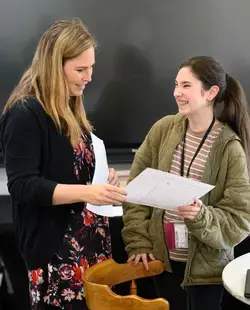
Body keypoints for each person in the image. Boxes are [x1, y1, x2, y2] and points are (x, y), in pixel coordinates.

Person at [0, 18, 127, 310]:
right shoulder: (24, 113)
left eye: (91, 67)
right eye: (80, 70)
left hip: (89, 244)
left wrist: (100, 175)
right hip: (56, 253)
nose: (89, 77)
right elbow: (22, 185)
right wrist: (86, 193)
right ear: (54, 66)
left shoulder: (70, 105)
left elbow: (75, 168)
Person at [122, 56, 250, 310]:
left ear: (211, 92)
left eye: (186, 86)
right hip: (162, 263)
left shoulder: (230, 147)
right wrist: (138, 241)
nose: (177, 93)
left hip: (208, 272)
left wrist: (201, 215)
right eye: (176, 85)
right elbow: (134, 191)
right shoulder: (163, 130)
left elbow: (240, 218)